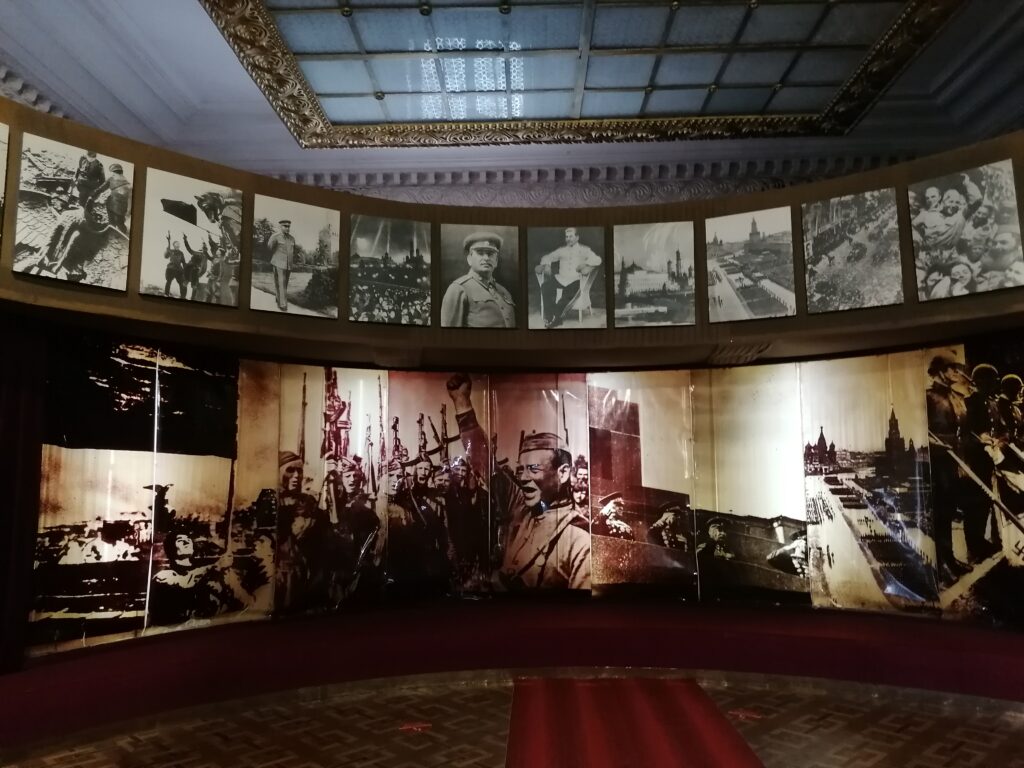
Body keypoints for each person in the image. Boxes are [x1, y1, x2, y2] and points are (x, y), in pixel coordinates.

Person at [447, 373, 591, 589]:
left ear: (562, 473)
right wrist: (462, 403)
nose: (522, 478)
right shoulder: (520, 508)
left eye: (533, 469)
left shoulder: (579, 539)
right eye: (520, 469)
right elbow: (484, 464)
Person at [149, 532, 239, 625]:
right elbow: (185, 583)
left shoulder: (208, 573)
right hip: (175, 629)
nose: (186, 542)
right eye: (180, 540)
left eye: (188, 539)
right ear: (171, 548)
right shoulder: (162, 576)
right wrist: (217, 566)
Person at [440, 231, 516, 328]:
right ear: (469, 259)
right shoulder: (458, 289)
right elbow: (449, 334)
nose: (486, 258)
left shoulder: (504, 292)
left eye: (490, 254)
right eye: (480, 253)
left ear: (496, 261)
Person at [536, 227, 601, 328]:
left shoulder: (584, 250)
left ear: (577, 237)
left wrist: (585, 264)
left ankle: (557, 318)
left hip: (575, 279)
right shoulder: (561, 250)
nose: (568, 239)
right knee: (545, 286)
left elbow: (598, 259)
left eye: (571, 236)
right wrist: (547, 264)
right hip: (561, 278)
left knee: (567, 294)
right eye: (567, 237)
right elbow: (547, 257)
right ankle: (550, 316)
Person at [84, 163, 132, 231]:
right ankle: (111, 232)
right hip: (110, 204)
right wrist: (92, 196)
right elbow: (101, 189)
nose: (113, 175)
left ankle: (122, 232)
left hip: (121, 209)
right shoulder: (111, 179)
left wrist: (128, 212)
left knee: (120, 224)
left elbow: (130, 200)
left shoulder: (128, 186)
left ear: (120, 174)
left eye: (114, 174)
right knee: (111, 223)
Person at [267, 219, 296, 312]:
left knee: (284, 283)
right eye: (285, 226)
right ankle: (283, 304)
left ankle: (278, 298)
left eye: (288, 226)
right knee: (281, 283)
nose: (287, 228)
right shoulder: (275, 236)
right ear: (281, 226)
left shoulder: (292, 238)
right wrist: (277, 256)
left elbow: (293, 251)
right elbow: (270, 247)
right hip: (278, 263)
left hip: (288, 264)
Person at [163, 233, 187, 298]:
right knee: (168, 281)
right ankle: (166, 294)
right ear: (174, 245)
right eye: (176, 244)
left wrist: (186, 270)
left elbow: (184, 262)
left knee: (182, 283)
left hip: (179, 270)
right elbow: (166, 256)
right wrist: (168, 241)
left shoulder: (181, 253)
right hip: (171, 269)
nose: (178, 245)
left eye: (178, 244)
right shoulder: (171, 251)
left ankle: (183, 297)